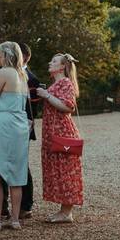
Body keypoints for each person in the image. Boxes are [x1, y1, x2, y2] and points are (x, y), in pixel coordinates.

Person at [0, 42, 41, 222]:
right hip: (19, 124)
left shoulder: (4, 73)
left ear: (6, 55)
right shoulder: (22, 74)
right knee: (17, 173)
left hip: (4, 122)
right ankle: (16, 220)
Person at [36, 52, 84, 223]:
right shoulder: (57, 83)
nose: (50, 62)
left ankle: (66, 212)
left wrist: (47, 95)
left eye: (54, 61)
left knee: (65, 171)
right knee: (58, 170)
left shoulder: (65, 83)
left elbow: (68, 106)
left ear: (62, 66)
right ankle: (64, 211)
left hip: (63, 132)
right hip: (54, 132)